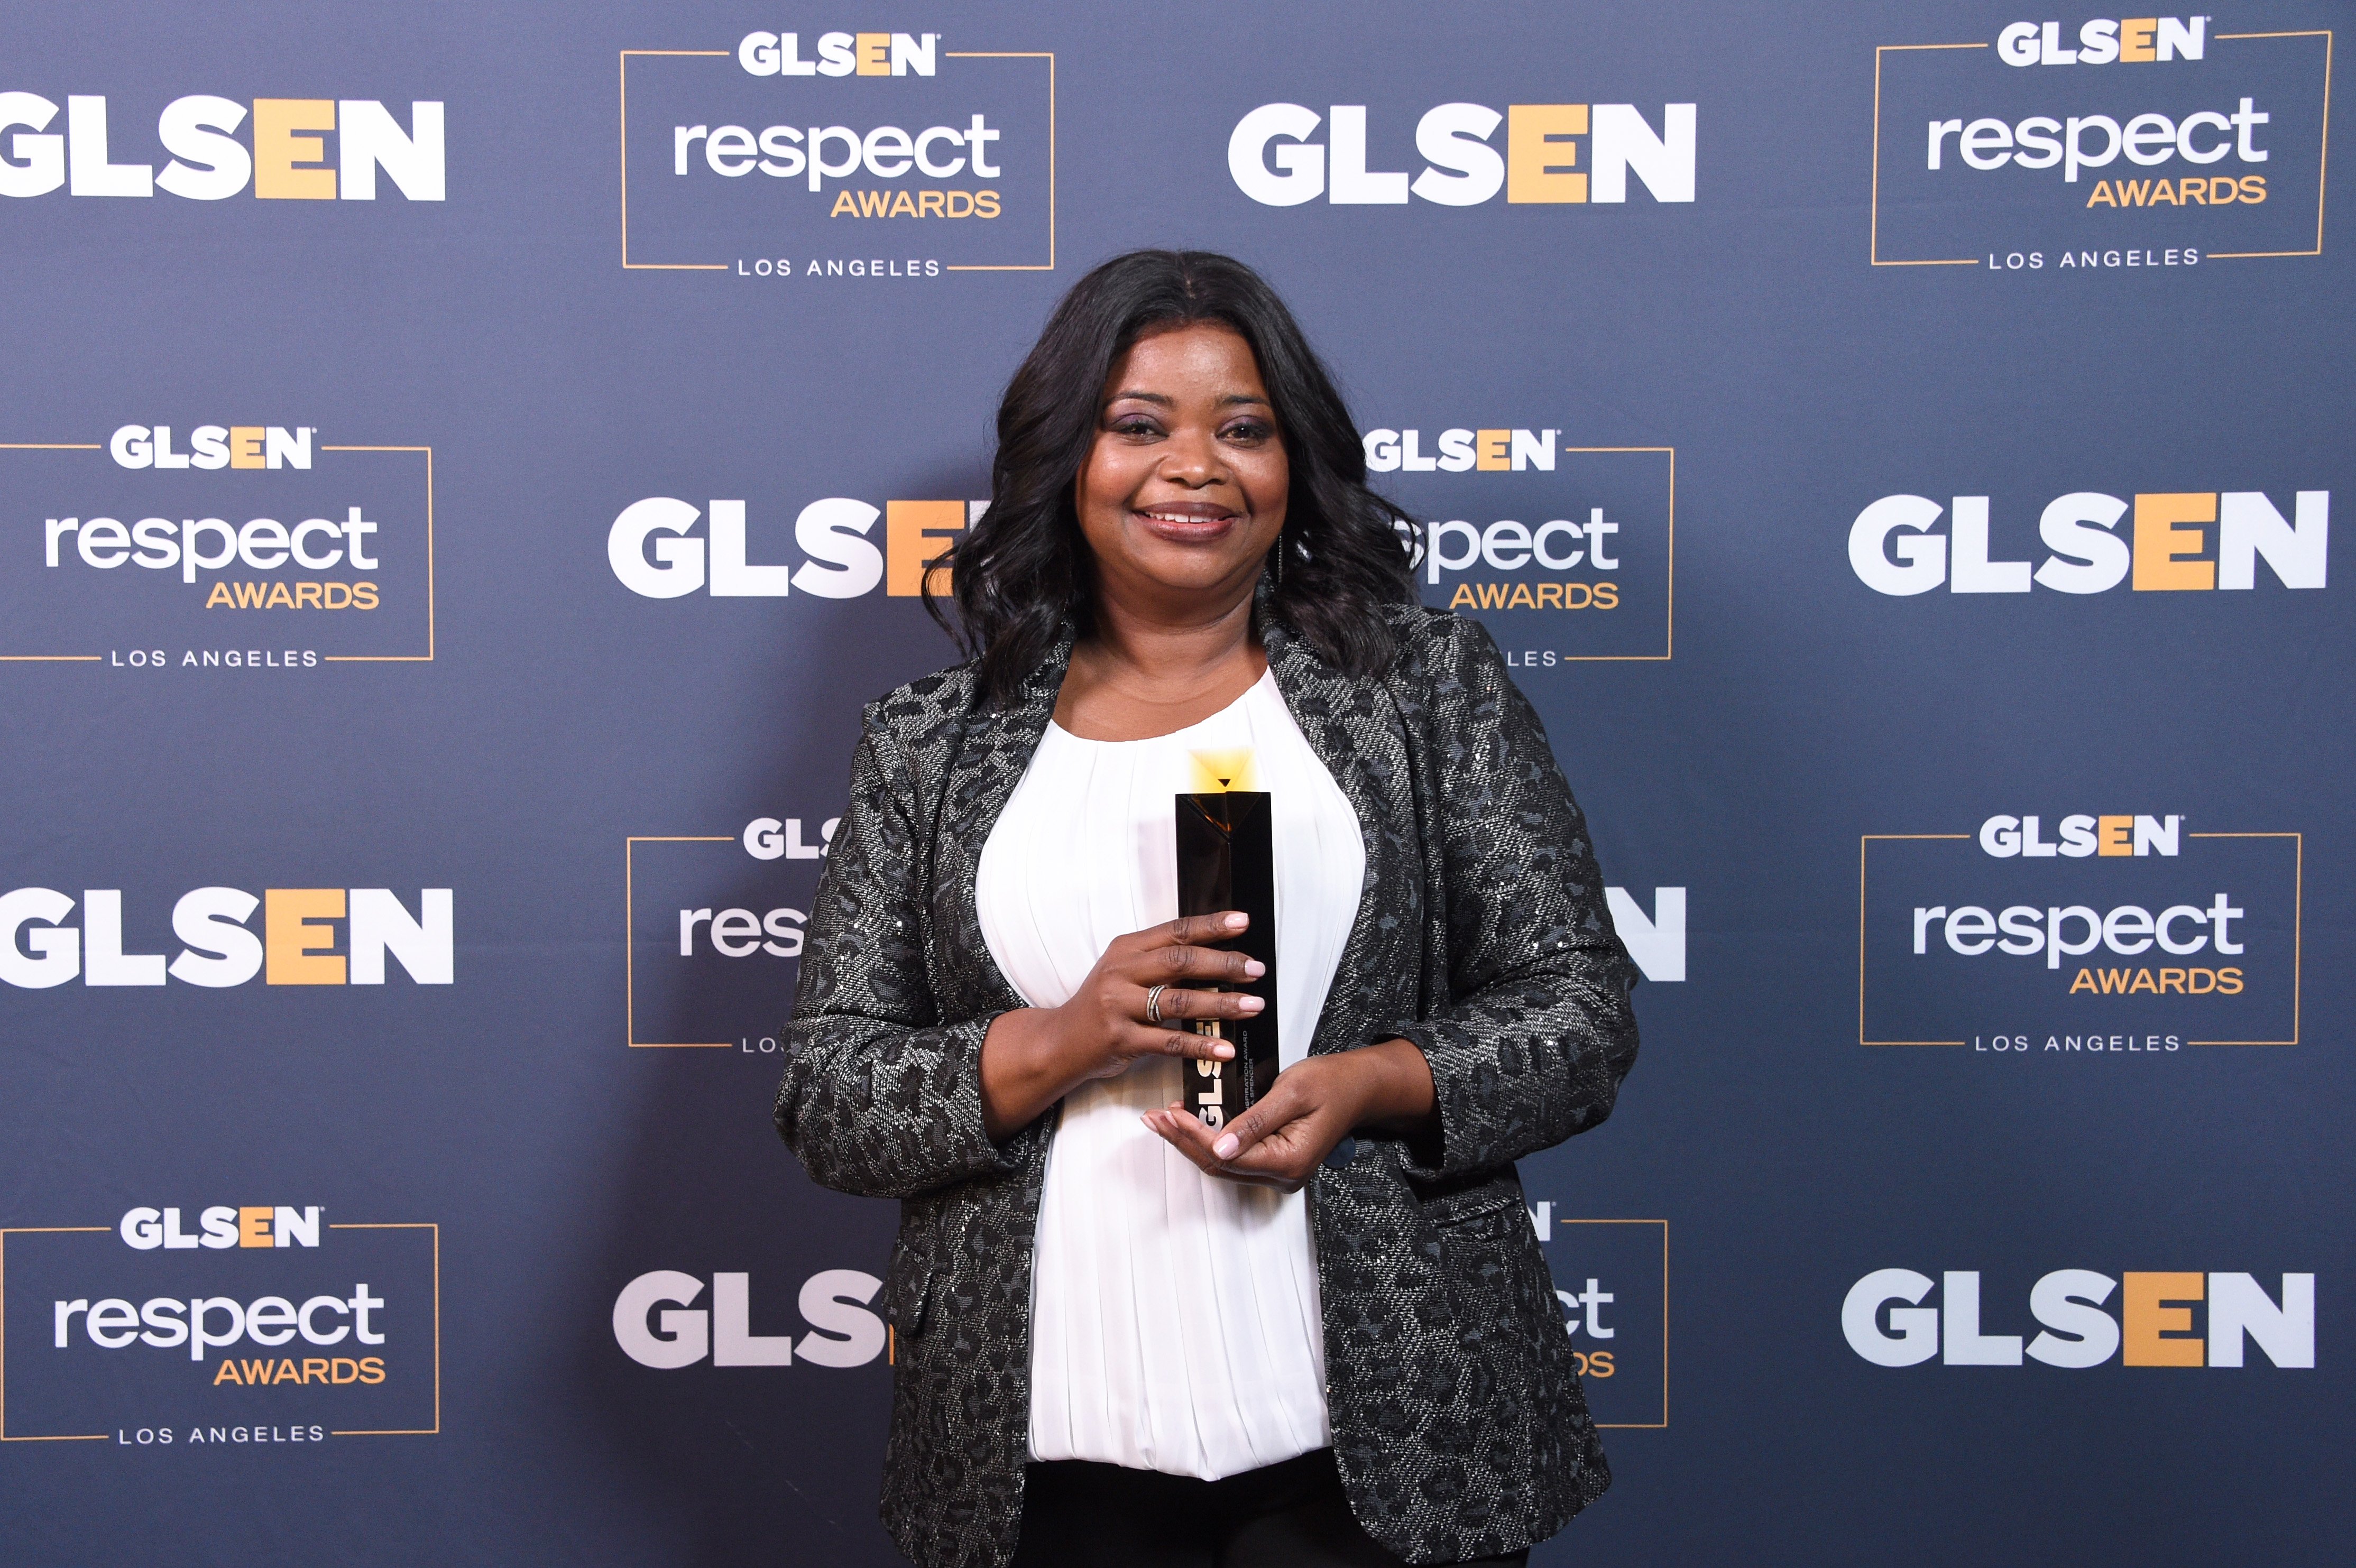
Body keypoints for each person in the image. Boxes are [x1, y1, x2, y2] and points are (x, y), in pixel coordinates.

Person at [776, 250, 1640, 1568]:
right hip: (1045, 1441)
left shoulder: (1416, 686)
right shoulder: (929, 746)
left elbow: (1577, 1014)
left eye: (1242, 427)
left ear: (1293, 465)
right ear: (1067, 460)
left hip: (1384, 1427)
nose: (1195, 466)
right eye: (1138, 426)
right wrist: (1058, 1040)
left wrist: (1370, 1079)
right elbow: (830, 1094)